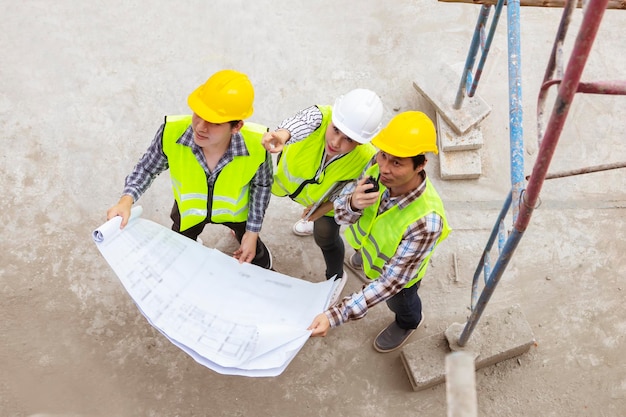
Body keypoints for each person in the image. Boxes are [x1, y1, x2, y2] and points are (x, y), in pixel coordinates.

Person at [307, 111, 452, 352]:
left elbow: (389, 282)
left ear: (421, 164)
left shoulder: (426, 222)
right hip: (369, 252)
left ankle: (409, 323)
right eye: (384, 155)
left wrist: (335, 316)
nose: (384, 167)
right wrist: (352, 203)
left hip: (401, 279)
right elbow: (343, 214)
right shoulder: (376, 167)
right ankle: (365, 260)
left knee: (400, 302)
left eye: (397, 162)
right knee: (367, 261)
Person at [106, 70, 274, 269]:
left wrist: (252, 232)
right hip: (188, 212)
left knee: (254, 253)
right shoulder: (171, 133)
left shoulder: (257, 144)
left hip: (237, 213)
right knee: (180, 253)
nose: (201, 127)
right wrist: (126, 201)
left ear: (236, 126)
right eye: (199, 115)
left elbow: (262, 184)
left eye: (214, 122)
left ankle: (258, 255)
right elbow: (147, 168)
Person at [261, 89, 384, 302]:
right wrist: (282, 135)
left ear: (362, 142)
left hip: (325, 200)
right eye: (335, 130)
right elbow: (299, 123)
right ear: (333, 119)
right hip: (292, 187)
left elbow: (350, 192)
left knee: (325, 236)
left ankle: (335, 277)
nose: (336, 142)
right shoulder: (320, 115)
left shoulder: (367, 160)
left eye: (348, 139)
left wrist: (323, 209)